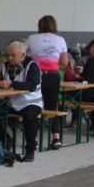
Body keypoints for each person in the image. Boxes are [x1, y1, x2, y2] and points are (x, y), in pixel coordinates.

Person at [0, 41, 43, 162]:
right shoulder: (5, 66)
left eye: (13, 55)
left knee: (29, 117)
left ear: (23, 55)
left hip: (31, 102)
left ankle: (30, 149)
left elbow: (32, 85)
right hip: (11, 103)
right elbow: (1, 80)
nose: (9, 58)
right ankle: (5, 139)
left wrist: (12, 84)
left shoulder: (32, 66)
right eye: (8, 55)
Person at [27, 14, 69, 149]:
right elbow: (64, 62)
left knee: (34, 105)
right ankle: (56, 138)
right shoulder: (60, 40)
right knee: (52, 106)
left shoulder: (31, 38)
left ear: (40, 25)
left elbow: (26, 57)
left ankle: (33, 139)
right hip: (52, 75)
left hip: (36, 74)